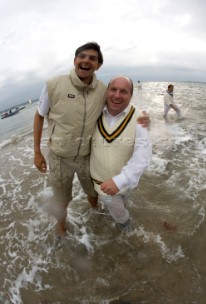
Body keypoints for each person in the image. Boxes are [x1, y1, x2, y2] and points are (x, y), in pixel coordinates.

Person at [33, 42, 150, 236]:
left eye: (92, 58)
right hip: (60, 157)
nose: (86, 60)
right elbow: (39, 115)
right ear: (75, 60)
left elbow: (119, 101)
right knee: (62, 199)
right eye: (82, 56)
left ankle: (94, 213)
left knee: (93, 192)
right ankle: (60, 229)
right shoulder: (53, 85)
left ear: (98, 65)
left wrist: (143, 117)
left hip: (87, 156)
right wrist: (37, 152)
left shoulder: (102, 90)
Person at [90, 76, 152, 228]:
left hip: (127, 181)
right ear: (107, 91)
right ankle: (127, 229)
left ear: (131, 95)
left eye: (123, 91)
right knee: (120, 215)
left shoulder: (138, 118)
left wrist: (121, 180)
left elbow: (143, 155)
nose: (117, 95)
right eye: (113, 89)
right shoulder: (93, 113)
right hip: (102, 185)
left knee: (125, 200)